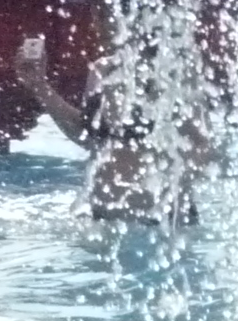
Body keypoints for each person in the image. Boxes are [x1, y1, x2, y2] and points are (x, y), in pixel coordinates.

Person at [12, 32, 210, 224]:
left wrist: (159, 190)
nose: (100, 23)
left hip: (159, 223)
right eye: (98, 15)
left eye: (106, 15)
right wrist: (40, 86)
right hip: (101, 218)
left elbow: (200, 147)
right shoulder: (101, 69)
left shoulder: (174, 73)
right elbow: (87, 137)